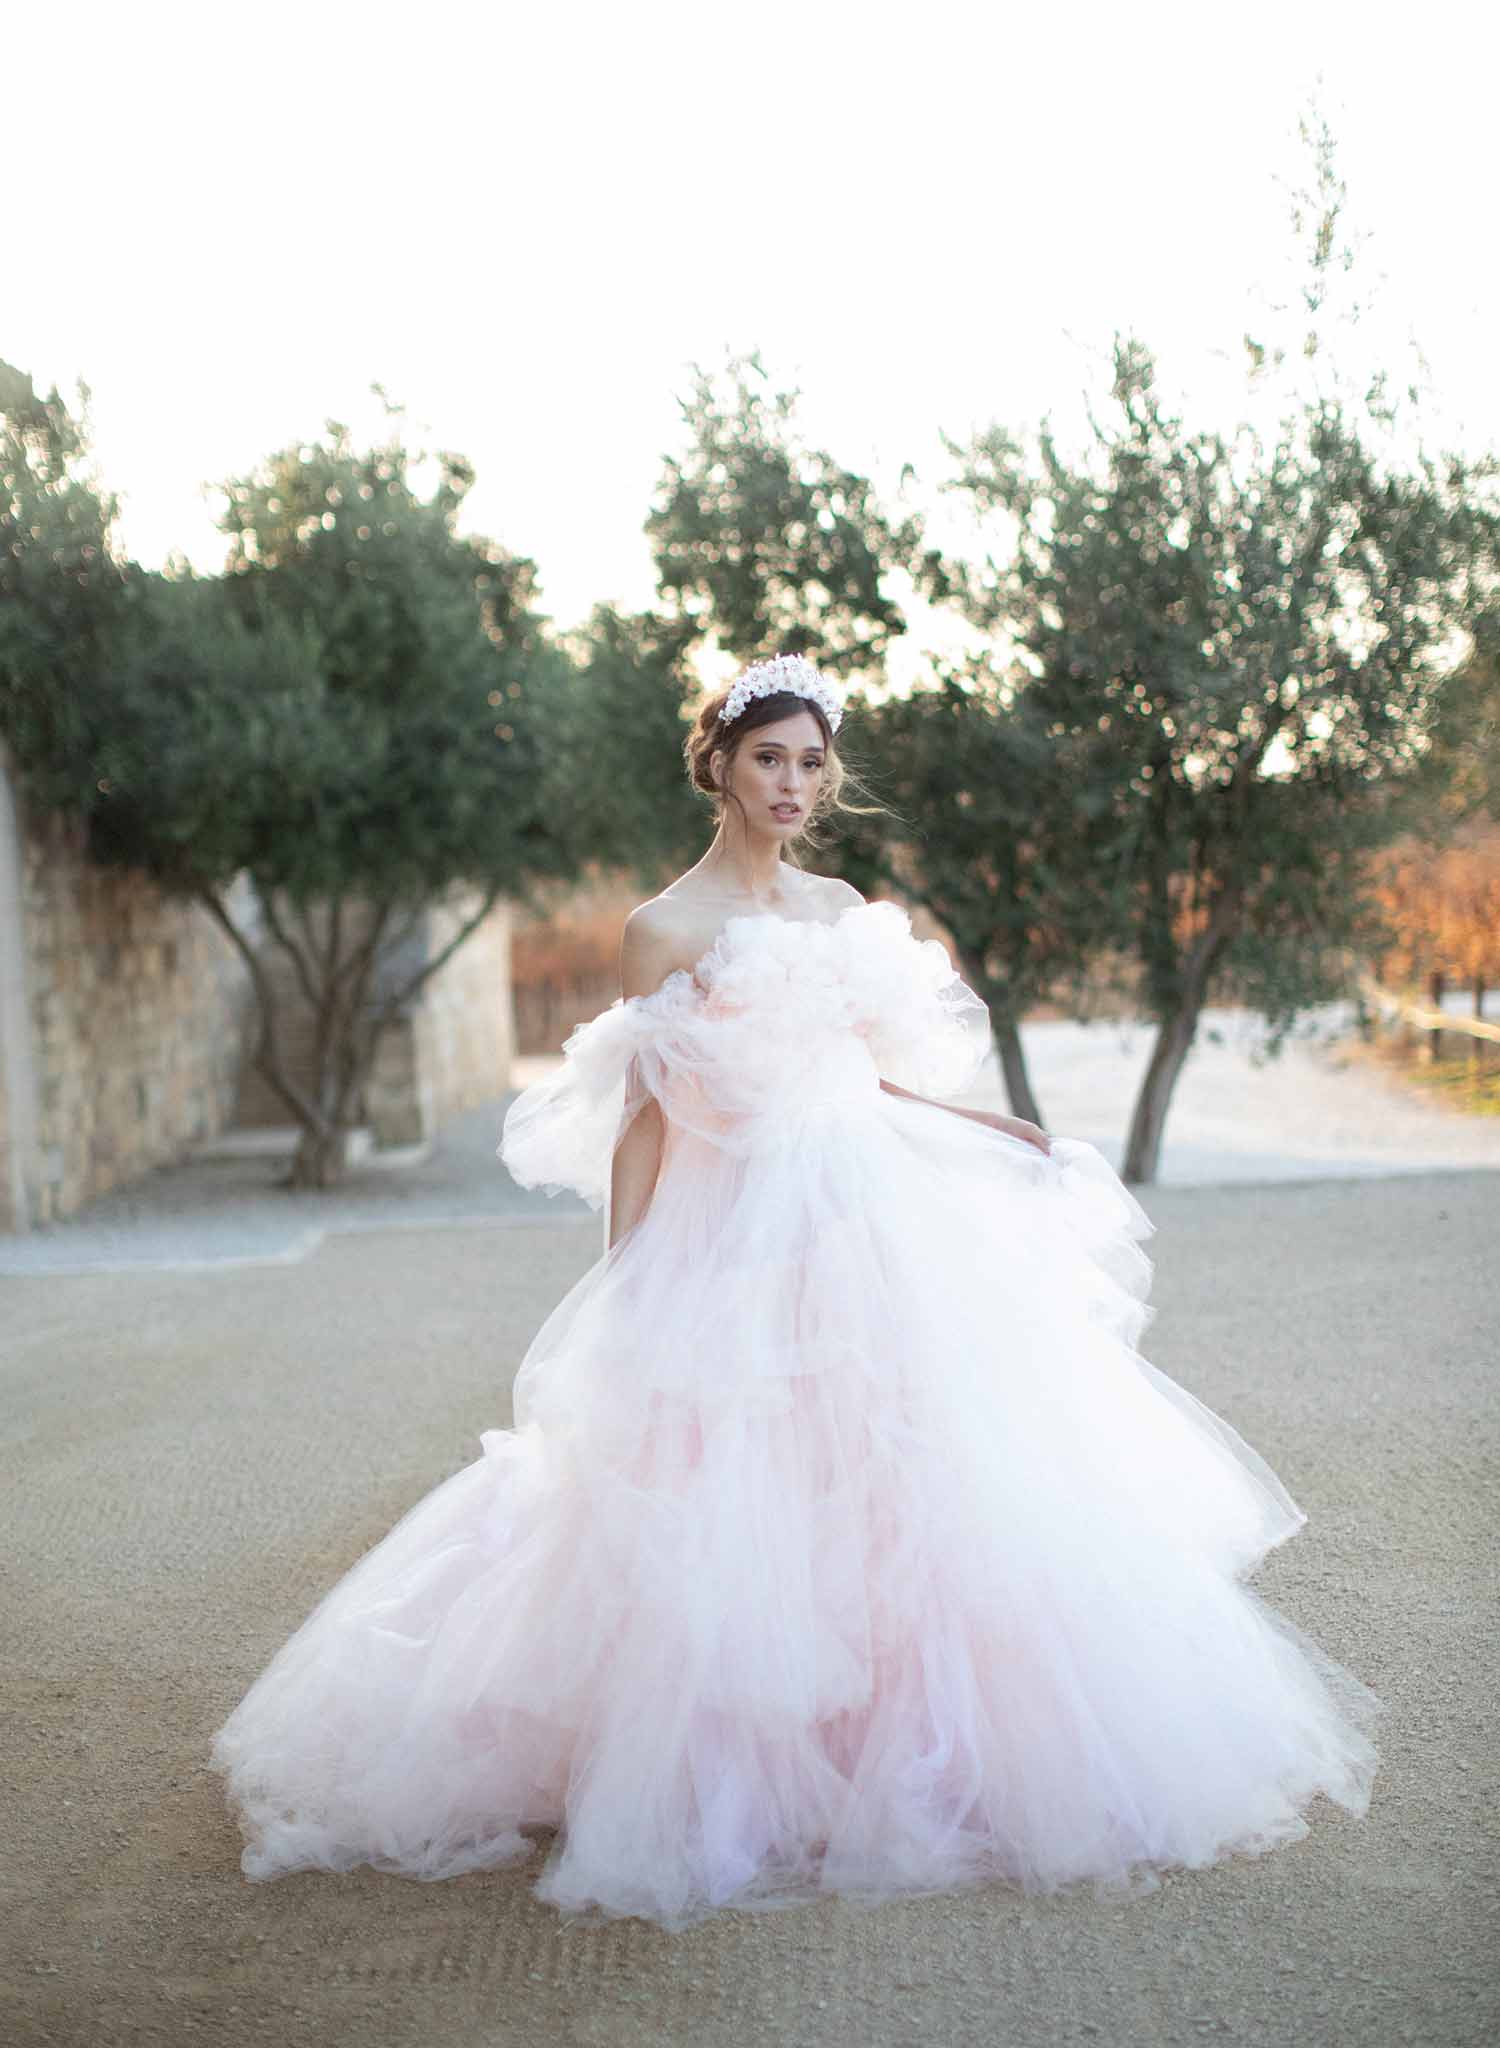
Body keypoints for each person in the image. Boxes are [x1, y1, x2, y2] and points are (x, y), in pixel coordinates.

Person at [209, 652, 1384, 1932]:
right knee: (737, 1488)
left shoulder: (837, 905)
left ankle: (906, 1740)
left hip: (871, 1213)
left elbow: (858, 1076)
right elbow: (647, 1120)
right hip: (737, 1230)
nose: (794, 781)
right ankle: (741, 1757)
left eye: (812, 760)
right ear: (718, 762)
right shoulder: (664, 929)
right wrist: (629, 1279)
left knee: (917, 1475)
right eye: (769, 755)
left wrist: (983, 1122)